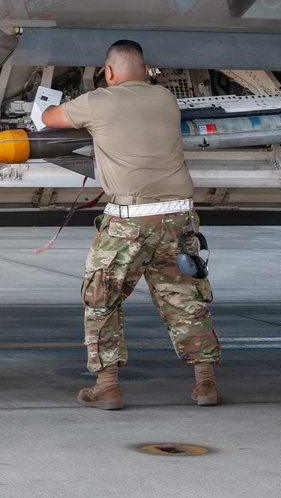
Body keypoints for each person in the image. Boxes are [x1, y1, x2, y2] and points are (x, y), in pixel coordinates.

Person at [42, 39, 221, 410]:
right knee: (185, 299)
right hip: (179, 217)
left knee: (101, 299)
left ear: (108, 72)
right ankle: (206, 384)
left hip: (130, 221)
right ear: (146, 68)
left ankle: (107, 386)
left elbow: (49, 118)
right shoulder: (165, 99)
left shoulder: (98, 102)